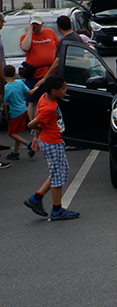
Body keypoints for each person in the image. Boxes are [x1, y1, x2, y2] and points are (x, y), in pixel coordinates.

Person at [22, 75, 80, 221]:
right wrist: (34, 131)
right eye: (63, 89)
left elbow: (37, 114)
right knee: (57, 177)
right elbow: (33, 122)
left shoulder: (45, 97)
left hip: (53, 140)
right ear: (54, 91)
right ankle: (57, 210)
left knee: (60, 172)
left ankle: (36, 199)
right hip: (51, 142)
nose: (65, 91)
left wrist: (37, 135)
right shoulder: (49, 108)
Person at [17, 16, 58, 82]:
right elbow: (25, 47)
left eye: (37, 24)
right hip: (35, 74)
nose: (35, 26)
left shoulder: (50, 32)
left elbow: (59, 47)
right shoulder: (25, 36)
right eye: (33, 24)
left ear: (42, 24)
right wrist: (29, 32)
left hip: (51, 71)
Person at [4, 65, 30, 163]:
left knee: (11, 133)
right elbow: (29, 92)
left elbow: (5, 103)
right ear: (15, 74)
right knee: (18, 132)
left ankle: (27, 143)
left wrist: (6, 115)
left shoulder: (6, 88)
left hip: (15, 112)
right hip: (24, 109)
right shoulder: (20, 83)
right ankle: (15, 151)